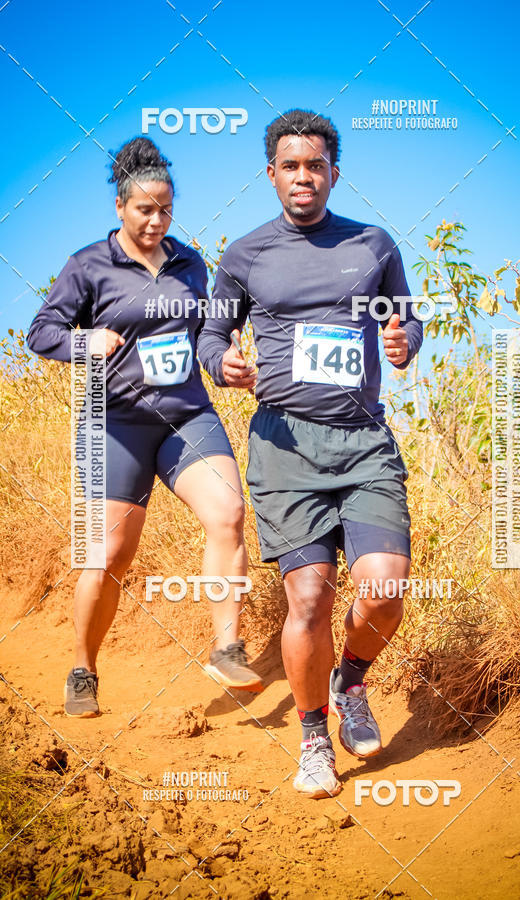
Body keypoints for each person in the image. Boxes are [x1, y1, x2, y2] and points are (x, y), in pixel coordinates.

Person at [198, 109, 423, 798]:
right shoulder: (246, 255)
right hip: (285, 447)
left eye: (316, 165)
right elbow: (211, 335)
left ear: (334, 173)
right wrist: (222, 363)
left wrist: (403, 340)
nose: (304, 176)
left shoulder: (372, 244)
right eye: (291, 165)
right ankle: (315, 738)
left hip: (364, 442)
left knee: (385, 587)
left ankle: (349, 680)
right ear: (271, 174)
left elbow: (404, 316)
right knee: (309, 598)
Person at [27, 136, 262, 718]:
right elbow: (41, 333)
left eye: (166, 210)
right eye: (144, 210)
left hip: (186, 415)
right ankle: (83, 668)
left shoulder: (190, 264)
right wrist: (86, 341)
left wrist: (225, 366)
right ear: (120, 207)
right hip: (115, 425)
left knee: (229, 512)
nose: (157, 221)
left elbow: (206, 337)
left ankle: (227, 648)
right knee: (109, 556)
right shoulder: (88, 265)